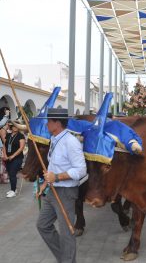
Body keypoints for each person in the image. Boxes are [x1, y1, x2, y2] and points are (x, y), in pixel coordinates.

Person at [36, 108, 86, 263]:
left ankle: (68, 260)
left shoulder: (71, 142)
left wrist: (56, 177)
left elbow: (81, 170)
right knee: (42, 225)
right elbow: (53, 165)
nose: (46, 124)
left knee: (66, 234)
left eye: (48, 121)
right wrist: (45, 182)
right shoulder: (55, 139)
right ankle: (65, 258)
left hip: (66, 193)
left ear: (57, 123)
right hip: (52, 190)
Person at [2, 120, 25, 197]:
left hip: (17, 158)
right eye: (14, 126)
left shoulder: (20, 136)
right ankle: (13, 188)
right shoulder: (8, 135)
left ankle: (13, 191)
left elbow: (21, 148)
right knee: (9, 173)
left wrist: (13, 156)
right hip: (7, 157)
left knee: (12, 173)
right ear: (11, 126)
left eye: (17, 126)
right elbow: (4, 145)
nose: (15, 127)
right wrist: (5, 155)